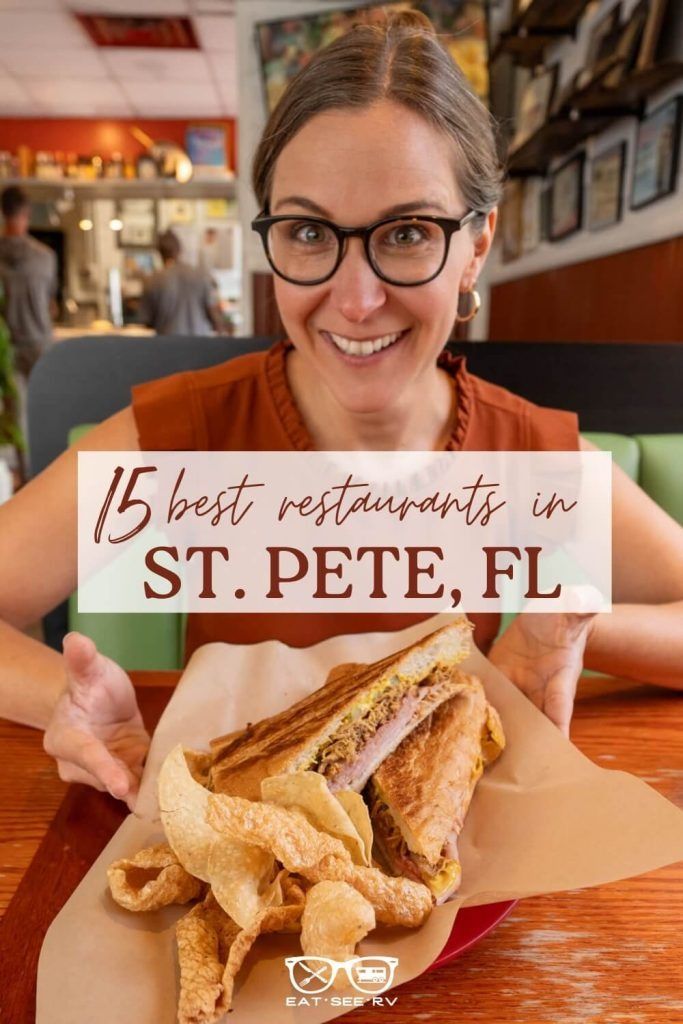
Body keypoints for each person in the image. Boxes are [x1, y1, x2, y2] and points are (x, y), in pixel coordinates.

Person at [0, 11, 681, 809]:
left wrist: (566, 626)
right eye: (308, 231)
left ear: (476, 246)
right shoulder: (185, 438)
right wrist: (63, 702)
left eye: (406, 233)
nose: (355, 300)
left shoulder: (526, 455)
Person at [0, 185, 56, 376]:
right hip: (38, 346)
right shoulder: (45, 257)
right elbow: (51, 306)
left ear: (3, 212)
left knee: (9, 406)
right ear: (27, 213)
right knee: (43, 404)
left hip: (4, 348)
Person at [139, 228, 225, 336]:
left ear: (159, 252)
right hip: (200, 344)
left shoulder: (152, 280)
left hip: (166, 346)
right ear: (180, 250)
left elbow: (146, 321)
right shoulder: (200, 275)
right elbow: (215, 316)